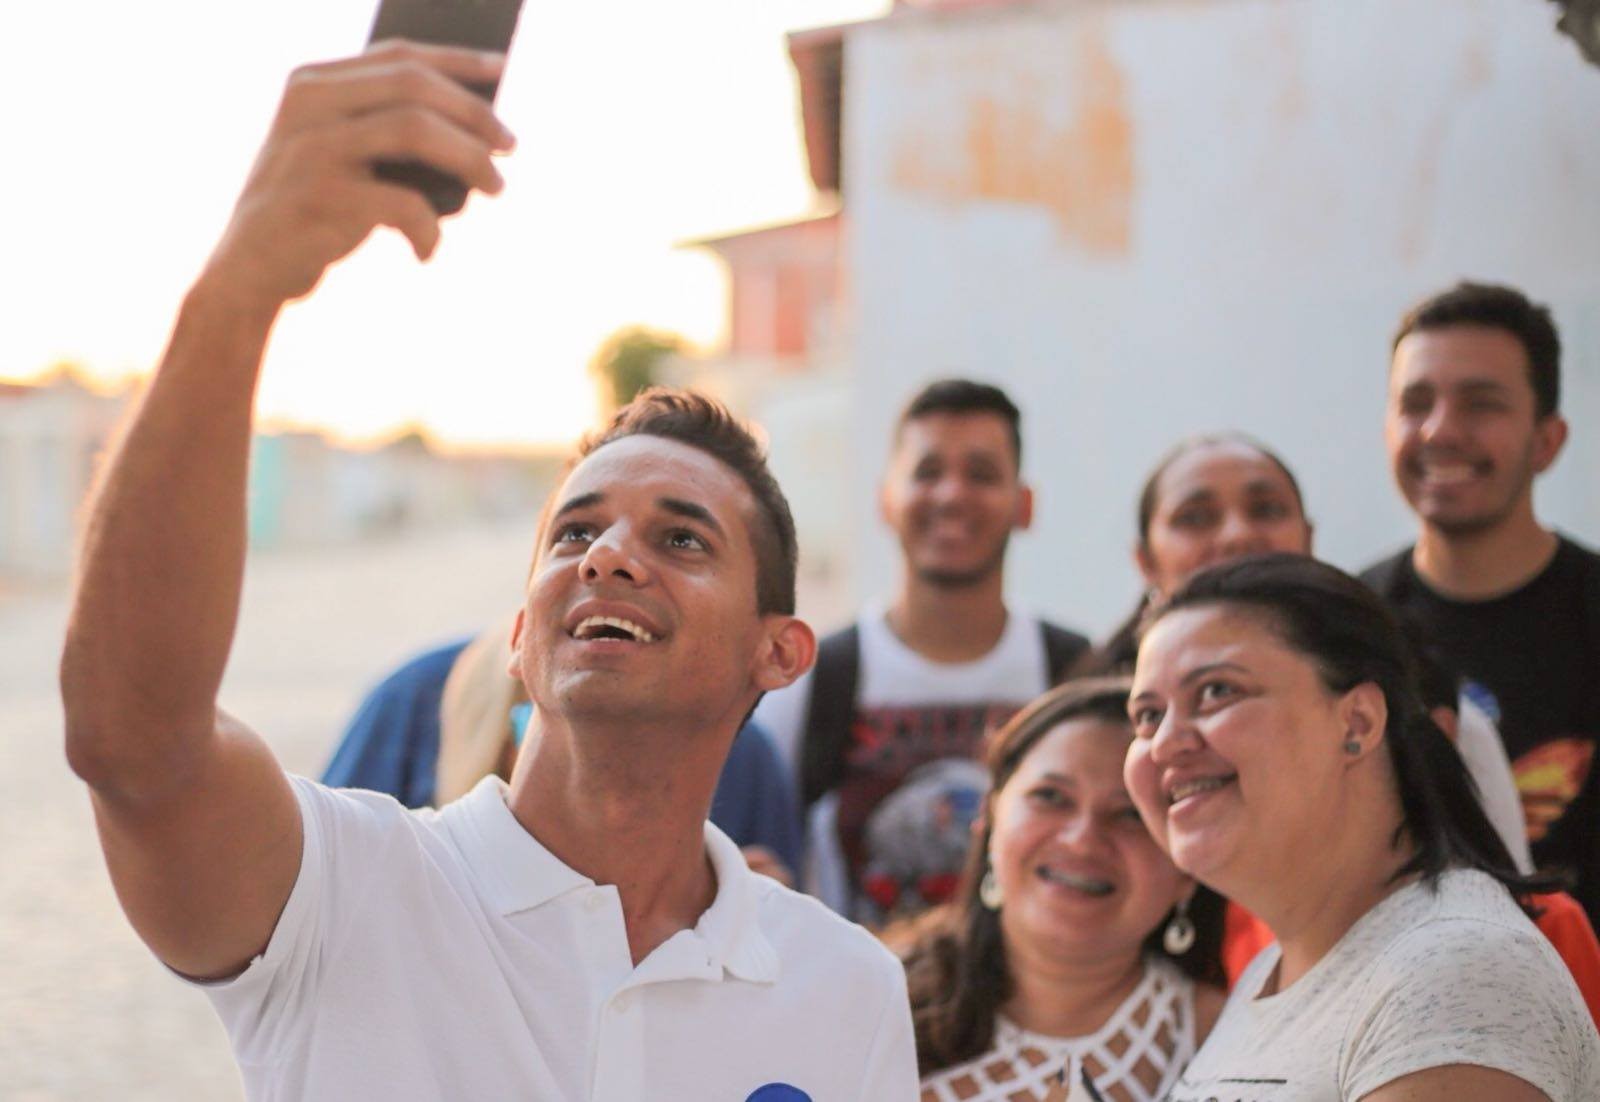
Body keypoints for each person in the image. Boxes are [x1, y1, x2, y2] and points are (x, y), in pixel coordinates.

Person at [59, 42, 915, 1099]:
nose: (608, 554)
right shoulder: (339, 891)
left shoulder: (847, 989)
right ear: (520, 634)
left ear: (777, 650)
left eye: (681, 537)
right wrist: (242, 284)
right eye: (574, 532)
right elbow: (133, 742)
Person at [1126, 553, 1600, 1099]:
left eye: (1216, 691)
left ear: (1358, 722)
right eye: (1146, 715)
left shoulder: (1451, 968)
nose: (1164, 743)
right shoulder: (1269, 973)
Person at [1091, 433, 1531, 871]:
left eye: (1266, 509)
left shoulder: (1419, 704)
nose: (1237, 535)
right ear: (1145, 559)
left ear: (1360, 719)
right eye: (1195, 517)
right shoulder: (1094, 732)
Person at [754, 379, 1090, 923]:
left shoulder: (1076, 674)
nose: (952, 494)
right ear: (885, 499)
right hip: (858, 1004)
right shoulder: (812, 680)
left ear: (1024, 506)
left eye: (981, 474)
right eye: (927, 472)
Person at [1362, 280, 1600, 929]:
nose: (1441, 430)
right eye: (1415, 403)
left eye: (1481, 403)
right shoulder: (1347, 628)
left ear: (1547, 441)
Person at [899, 677, 1227, 1102]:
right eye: (1051, 796)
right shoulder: (869, 995)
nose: (1082, 841)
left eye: (1130, 814)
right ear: (991, 815)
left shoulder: (1227, 1044)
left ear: (1188, 864)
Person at [322, 622, 804, 880]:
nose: (616, 561)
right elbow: (321, 901)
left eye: (680, 541)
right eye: (579, 531)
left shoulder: (741, 755)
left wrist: (759, 931)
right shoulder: (412, 701)